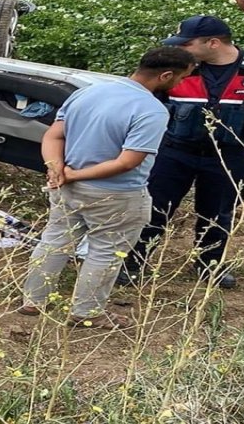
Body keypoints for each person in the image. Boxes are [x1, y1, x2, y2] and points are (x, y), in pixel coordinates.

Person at [19, 47, 195, 329]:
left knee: (55, 241)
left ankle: (33, 300)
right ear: (165, 75)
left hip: (66, 188)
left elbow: (53, 135)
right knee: (106, 251)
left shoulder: (88, 92)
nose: (180, 83)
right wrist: (73, 175)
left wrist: (56, 169)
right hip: (117, 194)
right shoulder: (151, 110)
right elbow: (127, 162)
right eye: (182, 77)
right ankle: (87, 312)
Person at [120, 15, 244, 289]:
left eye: (186, 43)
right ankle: (133, 263)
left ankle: (209, 265)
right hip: (175, 151)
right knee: (155, 207)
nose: (179, 48)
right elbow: (143, 104)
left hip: (231, 155)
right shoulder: (176, 67)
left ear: (213, 43)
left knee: (218, 213)